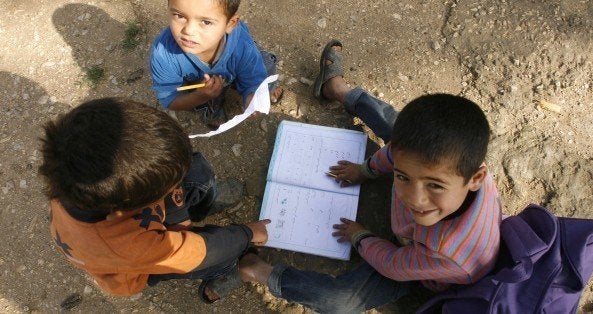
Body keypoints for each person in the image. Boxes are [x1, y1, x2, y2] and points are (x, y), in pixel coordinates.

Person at [238, 40, 503, 313]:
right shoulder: (453, 164)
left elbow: (393, 264)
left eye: (435, 185)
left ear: (476, 178)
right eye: (403, 177)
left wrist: (361, 237)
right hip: (412, 235)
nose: (413, 197)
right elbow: (394, 153)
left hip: (416, 264)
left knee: (340, 300)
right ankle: (336, 88)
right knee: (404, 130)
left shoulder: (451, 255)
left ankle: (259, 271)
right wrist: (365, 170)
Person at [39, 97, 270, 303]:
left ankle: (198, 211)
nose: (174, 186)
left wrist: (180, 214)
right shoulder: (127, 247)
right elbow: (201, 252)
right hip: (139, 267)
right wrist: (247, 233)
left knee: (195, 171)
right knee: (221, 256)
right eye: (166, 188)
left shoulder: (74, 175)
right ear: (126, 206)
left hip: (140, 232)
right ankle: (232, 271)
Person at [150, 0, 283, 129]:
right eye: (179, 16)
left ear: (230, 24)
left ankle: (268, 90)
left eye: (206, 22)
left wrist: (252, 98)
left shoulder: (242, 45)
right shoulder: (163, 54)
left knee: (265, 66)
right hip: (202, 87)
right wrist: (201, 95)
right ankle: (213, 115)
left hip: (239, 65)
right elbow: (170, 99)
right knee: (207, 102)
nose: (189, 31)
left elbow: (254, 79)